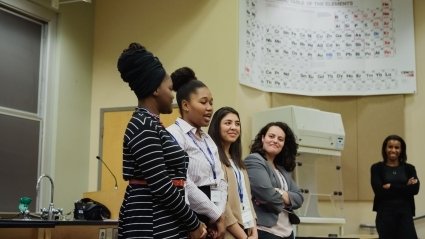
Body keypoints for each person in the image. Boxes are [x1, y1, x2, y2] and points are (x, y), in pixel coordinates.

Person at [116, 43, 206, 239]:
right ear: (156, 89)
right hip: (150, 224)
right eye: (170, 89)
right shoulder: (143, 125)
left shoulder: (152, 124)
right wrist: (193, 223)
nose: (172, 96)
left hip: (162, 221)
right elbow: (162, 186)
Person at [167, 67, 227, 239]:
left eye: (211, 102)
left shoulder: (208, 139)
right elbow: (184, 182)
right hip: (190, 215)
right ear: (185, 105)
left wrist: (219, 214)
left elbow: (221, 180)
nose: (209, 108)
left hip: (214, 215)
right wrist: (215, 214)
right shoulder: (174, 135)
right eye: (203, 102)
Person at [245, 122, 303, 239]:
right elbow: (267, 196)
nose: (275, 141)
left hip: (288, 232)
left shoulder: (282, 168)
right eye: (271, 136)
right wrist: (286, 198)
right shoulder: (254, 160)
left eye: (280, 139)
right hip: (266, 231)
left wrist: (277, 192)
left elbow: (299, 198)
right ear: (263, 138)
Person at [208, 107, 258, 239]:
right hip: (228, 230)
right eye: (228, 123)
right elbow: (221, 203)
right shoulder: (213, 159)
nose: (234, 127)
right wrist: (243, 236)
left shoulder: (238, 162)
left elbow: (247, 197)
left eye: (237, 124)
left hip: (246, 227)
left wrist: (254, 230)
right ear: (216, 126)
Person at [371, 134, 420, 239]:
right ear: (385, 149)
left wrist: (391, 186)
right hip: (385, 215)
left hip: (405, 215)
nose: (393, 150)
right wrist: (405, 186)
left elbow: (415, 189)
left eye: (397, 147)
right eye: (390, 147)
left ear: (401, 150)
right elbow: (379, 191)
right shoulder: (376, 168)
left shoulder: (409, 168)